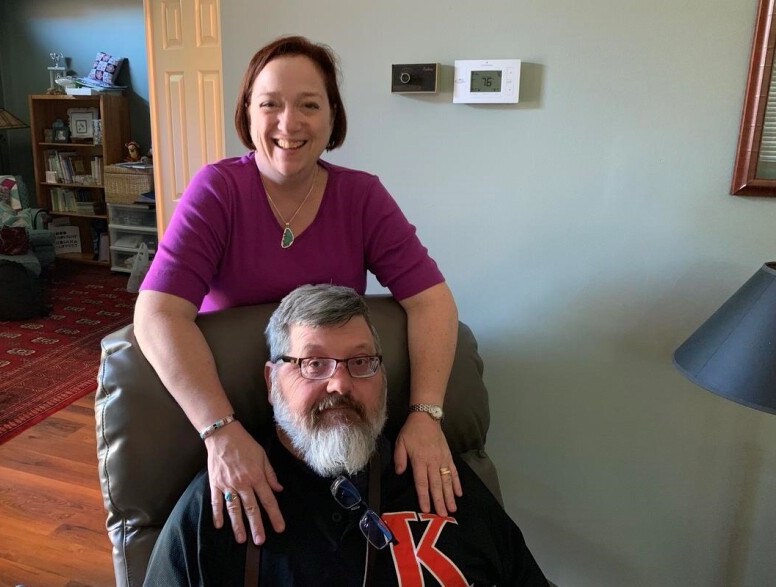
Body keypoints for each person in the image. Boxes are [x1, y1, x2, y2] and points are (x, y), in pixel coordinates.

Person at [135, 35, 464, 547]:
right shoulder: (216, 191)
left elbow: (432, 301)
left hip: (330, 412)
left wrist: (426, 414)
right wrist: (220, 430)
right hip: (234, 414)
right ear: (248, 113)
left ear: (333, 117)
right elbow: (156, 315)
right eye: (270, 104)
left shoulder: (362, 196)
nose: (289, 124)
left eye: (309, 105)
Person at [143, 284, 548, 587]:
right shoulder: (220, 504)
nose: (340, 384)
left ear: (384, 377)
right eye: (314, 363)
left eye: (360, 361)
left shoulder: (437, 474)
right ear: (271, 382)